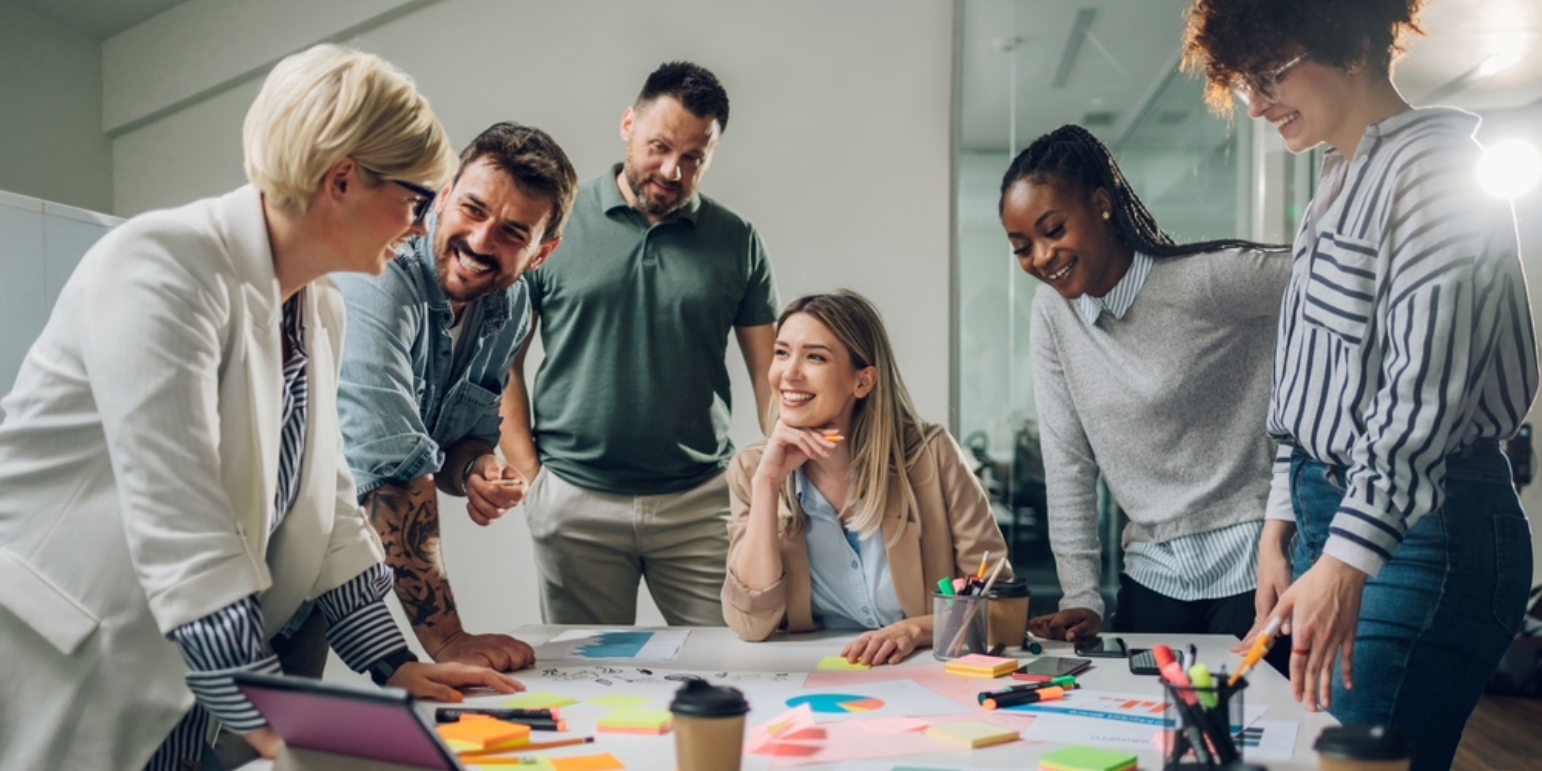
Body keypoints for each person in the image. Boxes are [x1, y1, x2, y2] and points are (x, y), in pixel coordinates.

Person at [0, 45, 521, 771]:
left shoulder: (319, 305)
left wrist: (394, 664)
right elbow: (183, 524)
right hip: (64, 660)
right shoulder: (161, 265)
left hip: (178, 683)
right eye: (416, 198)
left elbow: (330, 506)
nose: (419, 222)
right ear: (342, 178)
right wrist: (293, 728)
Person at [1184, 2, 1537, 768]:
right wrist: (1282, 525)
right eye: (1245, 80)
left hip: (1426, 532)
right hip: (1336, 517)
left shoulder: (1434, 171)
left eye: (1271, 73)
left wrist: (1343, 560)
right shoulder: (1337, 181)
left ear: (1346, 43)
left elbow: (1421, 398)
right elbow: (1309, 379)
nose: (1254, 102)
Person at [499, 61, 779, 626]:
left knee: (728, 668)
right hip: (575, 500)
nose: (672, 170)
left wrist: (776, 487)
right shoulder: (555, 224)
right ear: (628, 124)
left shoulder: (738, 241)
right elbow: (503, 363)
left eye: (694, 157)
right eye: (659, 146)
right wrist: (533, 480)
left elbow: (773, 377)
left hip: (701, 503)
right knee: (583, 684)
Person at [1003, 125, 1293, 663]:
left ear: (1101, 204)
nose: (1041, 258)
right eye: (1022, 247)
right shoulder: (1052, 314)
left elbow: (1337, 280)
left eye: (1053, 230)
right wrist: (1082, 595)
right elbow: (1068, 461)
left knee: (1259, 738)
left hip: (1255, 566)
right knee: (1149, 738)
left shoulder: (1204, 281)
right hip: (1152, 578)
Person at [336, 122, 577, 671]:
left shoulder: (510, 304)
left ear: (541, 253)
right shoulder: (381, 274)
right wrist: (449, 641)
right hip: (251, 550)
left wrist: (474, 468)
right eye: (472, 209)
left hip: (335, 573)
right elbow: (394, 472)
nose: (481, 242)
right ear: (443, 196)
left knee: (276, 749)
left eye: (514, 233)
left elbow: (455, 440)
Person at [722, 290, 1011, 665]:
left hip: (925, 667)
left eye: (814, 356)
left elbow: (1002, 606)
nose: (789, 373)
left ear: (863, 381)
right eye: (781, 352)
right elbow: (750, 624)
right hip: (816, 671)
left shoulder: (931, 456)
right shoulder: (753, 470)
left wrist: (917, 630)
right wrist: (767, 485)